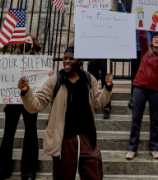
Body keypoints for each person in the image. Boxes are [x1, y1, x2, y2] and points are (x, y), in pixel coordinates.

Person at [19, 46, 113, 180]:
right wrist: (26, 92)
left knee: (94, 175)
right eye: (65, 58)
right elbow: (36, 105)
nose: (67, 61)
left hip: (87, 139)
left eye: (71, 58)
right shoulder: (55, 80)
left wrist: (108, 87)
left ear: (79, 61)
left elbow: (99, 103)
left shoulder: (88, 79)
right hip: (64, 141)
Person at [0, 34, 42, 180]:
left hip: (30, 101)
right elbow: (0, 76)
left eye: (29, 41)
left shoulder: (40, 62)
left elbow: (45, 81)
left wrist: (49, 74)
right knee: (8, 134)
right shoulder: (9, 60)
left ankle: (29, 171)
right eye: (24, 41)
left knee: (31, 133)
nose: (26, 43)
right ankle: (0, 171)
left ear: (34, 44)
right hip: (12, 100)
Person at [126, 29, 158, 160]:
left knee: (155, 120)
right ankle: (132, 148)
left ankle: (154, 148)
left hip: (156, 90)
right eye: (154, 37)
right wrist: (142, 21)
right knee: (136, 118)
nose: (156, 39)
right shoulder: (146, 49)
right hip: (140, 88)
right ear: (151, 40)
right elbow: (141, 35)